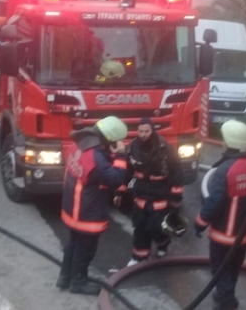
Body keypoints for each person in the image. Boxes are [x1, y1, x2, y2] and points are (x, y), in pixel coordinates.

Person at [194, 120, 246, 310]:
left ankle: (227, 302)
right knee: (234, 267)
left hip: (224, 235)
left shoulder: (225, 170)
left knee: (220, 270)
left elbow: (214, 203)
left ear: (228, 143)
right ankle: (226, 293)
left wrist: (199, 223)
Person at [57, 116, 129, 296]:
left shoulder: (79, 145)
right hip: (87, 211)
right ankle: (78, 282)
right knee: (85, 249)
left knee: (73, 245)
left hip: (73, 206)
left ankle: (65, 277)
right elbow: (115, 178)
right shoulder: (97, 158)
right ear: (109, 140)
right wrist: (120, 156)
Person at [123, 117, 184, 266]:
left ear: (152, 131)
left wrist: (176, 198)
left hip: (160, 193)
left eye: (146, 131)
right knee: (140, 225)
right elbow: (127, 172)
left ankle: (163, 242)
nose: (143, 134)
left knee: (156, 226)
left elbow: (177, 172)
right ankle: (139, 257)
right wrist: (122, 190)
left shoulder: (166, 149)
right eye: (141, 131)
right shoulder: (132, 148)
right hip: (141, 192)